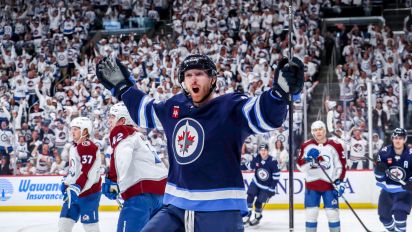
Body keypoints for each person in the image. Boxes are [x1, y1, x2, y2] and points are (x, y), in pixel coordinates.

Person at [96, 54, 304, 231]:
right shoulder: (174, 107)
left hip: (220, 208)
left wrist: (279, 94)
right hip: (176, 206)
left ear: (213, 79)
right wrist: (124, 87)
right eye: (188, 75)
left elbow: (263, 114)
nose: (193, 79)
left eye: (199, 74)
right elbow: (145, 110)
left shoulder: (230, 107)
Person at [102, 102, 168, 232]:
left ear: (122, 120)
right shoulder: (139, 136)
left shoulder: (121, 129)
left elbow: (122, 153)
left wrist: (113, 179)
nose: (109, 120)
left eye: (111, 116)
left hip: (141, 196)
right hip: (162, 197)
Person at [296, 120, 347, 232]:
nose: (318, 132)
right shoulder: (306, 145)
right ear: (312, 132)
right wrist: (308, 160)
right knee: (311, 214)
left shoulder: (336, 145)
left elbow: (341, 166)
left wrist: (339, 181)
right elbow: (300, 167)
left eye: (320, 129)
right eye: (315, 130)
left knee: (332, 214)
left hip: (330, 186)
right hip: (312, 185)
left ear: (325, 130)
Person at [58, 117, 102, 232]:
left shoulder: (88, 146)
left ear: (85, 131)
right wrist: (66, 182)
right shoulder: (74, 147)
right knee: (64, 224)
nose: (72, 132)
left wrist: (76, 188)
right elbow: (74, 170)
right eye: (72, 129)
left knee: (90, 227)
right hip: (73, 192)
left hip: (88, 195)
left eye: (76, 129)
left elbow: (88, 173)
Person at [374, 128, 412, 232]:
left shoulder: (411, 154)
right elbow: (378, 178)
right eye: (395, 138)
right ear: (392, 139)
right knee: (384, 218)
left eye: (400, 138)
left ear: (405, 140)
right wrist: (379, 172)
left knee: (400, 214)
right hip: (387, 191)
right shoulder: (384, 153)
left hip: (404, 192)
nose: (397, 140)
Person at [242, 144, 280, 226]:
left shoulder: (273, 161)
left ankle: (258, 216)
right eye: (261, 150)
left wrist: (272, 188)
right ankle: (247, 215)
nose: (263, 152)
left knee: (258, 202)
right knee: (250, 196)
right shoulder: (256, 157)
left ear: (267, 151)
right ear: (259, 151)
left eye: (265, 150)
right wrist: (239, 166)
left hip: (266, 187)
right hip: (256, 182)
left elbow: (276, 177)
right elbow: (250, 166)